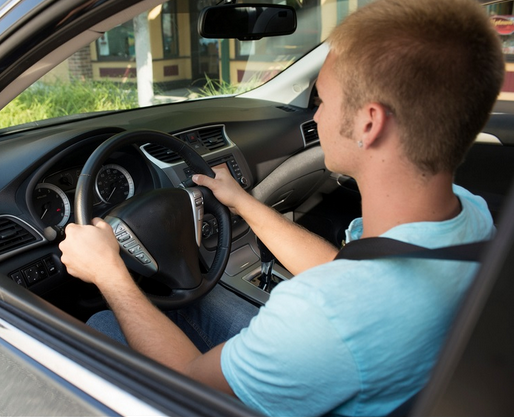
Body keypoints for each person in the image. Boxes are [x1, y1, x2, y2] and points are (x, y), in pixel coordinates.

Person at [59, 0, 504, 415]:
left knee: (102, 323)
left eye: (322, 100)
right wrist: (243, 203)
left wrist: (109, 274)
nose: (313, 117)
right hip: (367, 357)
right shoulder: (471, 216)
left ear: (369, 123)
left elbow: (188, 384)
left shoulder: (328, 314)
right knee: (191, 298)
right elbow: (344, 267)